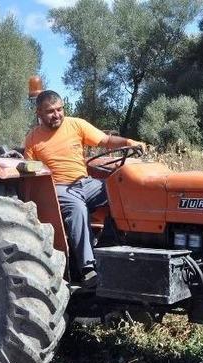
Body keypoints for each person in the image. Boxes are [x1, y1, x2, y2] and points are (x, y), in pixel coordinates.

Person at [24, 90, 146, 287]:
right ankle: (88, 268)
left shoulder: (76, 124)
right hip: (59, 188)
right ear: (39, 113)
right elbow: (30, 170)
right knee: (77, 208)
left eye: (60, 109)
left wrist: (128, 142)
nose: (57, 115)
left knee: (121, 192)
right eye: (50, 111)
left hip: (85, 183)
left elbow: (105, 141)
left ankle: (128, 249)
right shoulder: (33, 138)